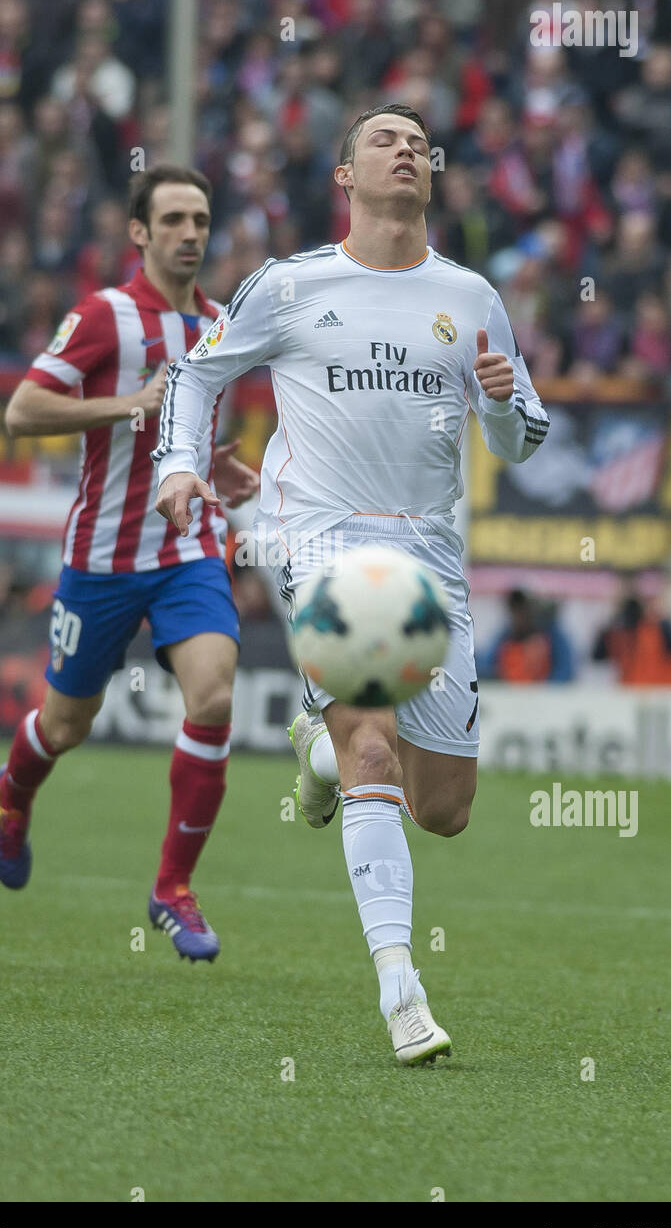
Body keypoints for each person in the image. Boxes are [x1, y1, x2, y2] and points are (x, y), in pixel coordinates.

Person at [153, 105, 549, 1062]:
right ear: (345, 176)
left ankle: (319, 753)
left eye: (418, 142)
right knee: (373, 739)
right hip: (321, 537)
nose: (407, 150)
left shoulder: (471, 296)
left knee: (444, 808)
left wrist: (500, 404)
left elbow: (525, 438)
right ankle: (401, 990)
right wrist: (177, 463)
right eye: (384, 139)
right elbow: (199, 377)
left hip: (431, 552)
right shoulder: (289, 286)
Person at [0, 164, 259, 962]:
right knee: (67, 723)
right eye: (173, 219)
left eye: (201, 221)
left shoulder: (221, 325)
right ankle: (12, 796)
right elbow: (20, 410)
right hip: (101, 560)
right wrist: (125, 404)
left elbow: (194, 431)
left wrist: (222, 469)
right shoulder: (105, 316)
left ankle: (172, 888)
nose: (190, 235)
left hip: (187, 551)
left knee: (212, 693)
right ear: (139, 233)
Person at [481, 588, 573, 682]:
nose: (519, 615)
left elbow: (565, 672)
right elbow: (487, 666)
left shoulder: (551, 635)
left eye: (524, 608)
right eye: (515, 609)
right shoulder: (506, 635)